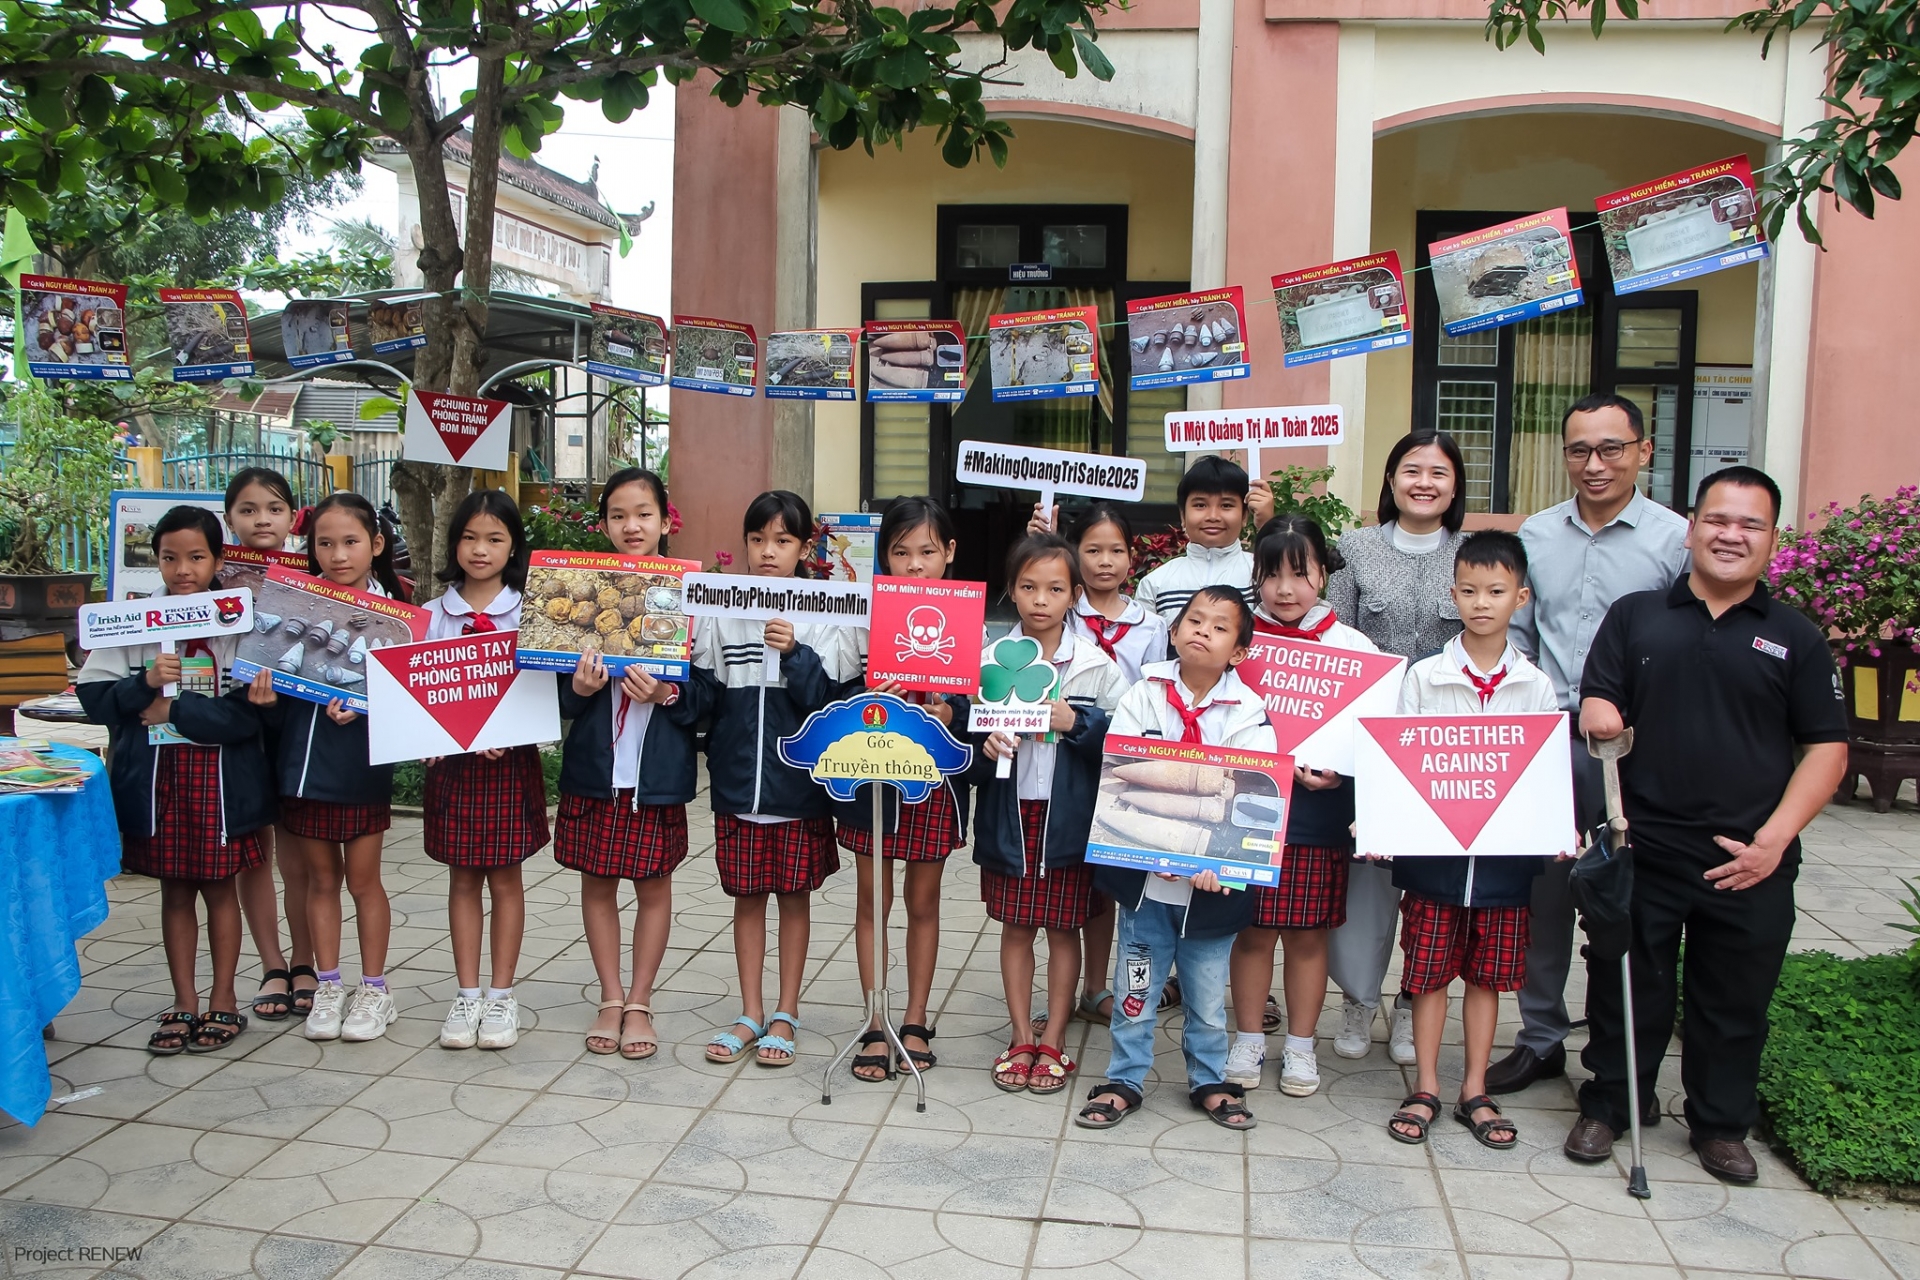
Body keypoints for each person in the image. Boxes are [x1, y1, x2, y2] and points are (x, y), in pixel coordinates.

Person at [1564, 466, 1848, 1184]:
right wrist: (1600, 712)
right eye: (1718, 520)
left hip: (1749, 857)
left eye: (1750, 525)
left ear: (1772, 542)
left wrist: (1773, 841)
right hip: (1644, 848)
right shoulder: (1636, 615)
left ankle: (1720, 1125)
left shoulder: (1796, 637)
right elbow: (1601, 692)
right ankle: (1611, 1103)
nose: (1731, 535)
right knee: (1626, 986)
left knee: (1734, 1000)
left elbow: (1828, 747)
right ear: (1690, 529)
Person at [1488, 392, 1691, 1095]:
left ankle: (1618, 1056)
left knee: (1625, 904)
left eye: (1611, 448)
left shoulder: (1675, 541)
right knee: (1541, 899)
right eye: (1579, 450)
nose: (1594, 464)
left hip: (1635, 752)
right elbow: (1516, 632)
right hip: (1545, 745)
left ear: (1643, 451)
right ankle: (1540, 1037)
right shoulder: (1536, 535)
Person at [1380, 531, 1559, 1149]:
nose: (1482, 602)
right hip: (1435, 858)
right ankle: (1426, 1083)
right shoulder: (1424, 678)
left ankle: (1474, 1087)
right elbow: (1399, 763)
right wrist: (1379, 824)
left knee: (1488, 976)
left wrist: (1554, 828)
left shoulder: (1534, 686)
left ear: (1522, 597)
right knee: (1427, 974)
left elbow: (1542, 775)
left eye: (1497, 591)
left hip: (1505, 861)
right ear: (1451, 594)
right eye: (1469, 590)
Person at [1075, 586, 1275, 1133]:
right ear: (1173, 628)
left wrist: (1224, 861)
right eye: (1193, 620)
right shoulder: (1145, 694)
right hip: (1146, 883)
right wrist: (1148, 850)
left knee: (1208, 995)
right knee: (1136, 986)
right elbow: (1121, 768)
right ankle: (1125, 1077)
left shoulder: (1250, 713)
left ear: (1238, 651)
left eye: (1218, 626)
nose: (1201, 631)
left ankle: (1209, 1079)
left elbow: (1251, 797)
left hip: (1212, 885)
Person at [79, 507, 275, 1054]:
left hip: (218, 783)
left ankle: (224, 999)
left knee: (219, 892)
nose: (183, 569)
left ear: (217, 559)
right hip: (157, 781)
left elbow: (247, 716)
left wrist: (177, 709)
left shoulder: (238, 624)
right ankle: (183, 1000)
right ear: (155, 560)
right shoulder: (133, 623)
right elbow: (95, 700)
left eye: (196, 557)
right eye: (170, 558)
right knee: (174, 893)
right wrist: (144, 683)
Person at [693, 491, 859, 1068]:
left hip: (799, 788)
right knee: (745, 899)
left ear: (803, 547)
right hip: (738, 786)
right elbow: (706, 695)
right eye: (758, 540)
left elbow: (831, 703)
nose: (769, 552)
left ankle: (785, 1012)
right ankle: (749, 1011)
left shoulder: (830, 610)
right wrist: (669, 690)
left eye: (783, 541)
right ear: (744, 544)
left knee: (793, 900)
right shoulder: (721, 607)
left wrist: (795, 654)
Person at [1324, 429, 1470, 1063]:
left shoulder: (1474, 554)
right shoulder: (1351, 550)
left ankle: (1415, 1002)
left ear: (1456, 485)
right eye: (1411, 469)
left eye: (1439, 473)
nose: (1424, 483)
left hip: (1445, 749)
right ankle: (1359, 1001)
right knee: (1366, 884)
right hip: (1367, 744)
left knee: (1432, 890)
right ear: (1389, 480)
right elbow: (1336, 645)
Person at [1227, 515, 1381, 1097]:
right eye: (1272, 575)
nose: (1285, 590)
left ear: (1324, 572)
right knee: (1253, 933)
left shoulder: (1355, 649)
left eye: (1301, 573)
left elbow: (1373, 739)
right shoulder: (1240, 644)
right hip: (1251, 808)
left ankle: (1299, 1047)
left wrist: (1342, 768)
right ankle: (1247, 1038)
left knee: (1309, 935)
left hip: (1320, 815)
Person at [554, 468, 705, 1061]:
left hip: (656, 775)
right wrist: (583, 690)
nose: (632, 525)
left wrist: (667, 695)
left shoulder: (692, 596)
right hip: (597, 770)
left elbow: (708, 695)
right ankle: (609, 997)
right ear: (604, 525)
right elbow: (555, 695)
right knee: (597, 883)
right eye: (618, 515)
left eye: (643, 513)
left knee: (653, 885)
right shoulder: (582, 591)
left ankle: (640, 1000)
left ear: (666, 521)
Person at [247, 492, 408, 1044]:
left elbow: (412, 703)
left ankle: (374, 989)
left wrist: (367, 710)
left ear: (376, 545)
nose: (338, 555)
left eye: (351, 542)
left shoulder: (397, 621)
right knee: (320, 880)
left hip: (360, 769)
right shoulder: (293, 607)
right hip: (300, 766)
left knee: (363, 882)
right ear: (310, 548)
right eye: (325, 543)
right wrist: (265, 702)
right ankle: (329, 985)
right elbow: (271, 684)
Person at [970, 534, 1125, 1096]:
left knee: (1064, 929)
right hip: (1010, 821)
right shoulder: (985, 659)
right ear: (1011, 592)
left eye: (1056, 588)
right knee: (1016, 928)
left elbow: (1121, 741)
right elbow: (965, 751)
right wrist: (982, 749)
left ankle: (1054, 1036)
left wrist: (1075, 723)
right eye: (1029, 587)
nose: (1041, 599)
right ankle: (1019, 1036)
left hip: (1068, 820)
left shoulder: (1094, 666)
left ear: (1075, 596)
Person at [839, 497, 969, 1082]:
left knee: (923, 902)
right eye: (900, 552)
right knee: (873, 901)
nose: (914, 565)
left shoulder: (964, 616)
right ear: (883, 558)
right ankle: (875, 1018)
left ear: (948, 553)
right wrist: (872, 697)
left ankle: (913, 1018)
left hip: (932, 777)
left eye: (926, 551)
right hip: (872, 774)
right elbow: (837, 693)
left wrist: (949, 710)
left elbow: (976, 702)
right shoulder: (863, 617)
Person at [421, 490, 549, 1051]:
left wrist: (508, 730)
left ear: (513, 545)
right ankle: (466, 992)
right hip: (451, 766)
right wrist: (427, 736)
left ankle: (501, 995)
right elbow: (416, 691)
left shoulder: (531, 613)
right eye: (470, 537)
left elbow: (541, 688)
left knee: (506, 877)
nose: (480, 549)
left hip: (507, 765)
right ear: (454, 544)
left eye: (495, 538)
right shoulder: (429, 615)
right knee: (462, 877)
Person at [221, 468, 318, 1024]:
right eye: (249, 509)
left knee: (299, 853)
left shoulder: (314, 571)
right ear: (230, 517)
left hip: (299, 722)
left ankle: (306, 962)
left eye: (274, 508)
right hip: (235, 723)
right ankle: (272, 964)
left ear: (291, 516)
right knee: (252, 854)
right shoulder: (215, 577)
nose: (262, 520)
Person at [1135, 454, 1274, 622]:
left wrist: (1268, 526)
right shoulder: (1155, 584)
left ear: (1245, 515)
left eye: (1226, 505)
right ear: (1183, 515)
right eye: (1200, 505)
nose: (1213, 516)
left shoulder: (1263, 574)